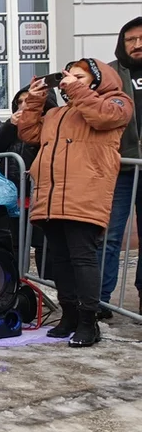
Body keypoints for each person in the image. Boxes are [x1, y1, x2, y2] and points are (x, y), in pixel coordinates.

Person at [18, 59, 132, 347]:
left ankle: (88, 321)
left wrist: (79, 92)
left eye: (79, 76)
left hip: (86, 193)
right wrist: (35, 98)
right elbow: (29, 133)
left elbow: (103, 117)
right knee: (60, 260)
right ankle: (69, 315)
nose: (70, 80)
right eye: (68, 76)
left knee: (83, 259)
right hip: (52, 196)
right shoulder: (58, 113)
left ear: (97, 80)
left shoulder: (117, 102)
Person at [0, 85, 58, 279]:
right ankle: (16, 282)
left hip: (41, 194)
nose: (23, 105)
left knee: (44, 244)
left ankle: (47, 286)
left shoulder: (50, 124)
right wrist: (10, 124)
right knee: (15, 242)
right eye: (19, 102)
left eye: (28, 100)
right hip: (15, 194)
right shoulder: (12, 126)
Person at [99, 17, 142, 317]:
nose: (137, 44)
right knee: (111, 236)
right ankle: (99, 302)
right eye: (131, 39)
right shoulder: (111, 73)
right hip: (122, 166)